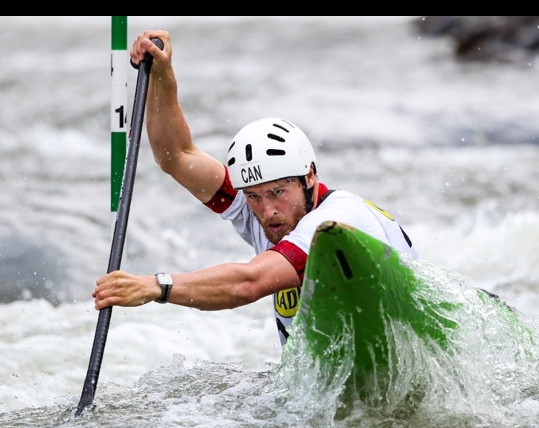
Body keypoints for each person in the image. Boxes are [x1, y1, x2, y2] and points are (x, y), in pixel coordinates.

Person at [92, 29, 418, 347]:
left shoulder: (335, 223)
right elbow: (176, 156)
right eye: (254, 197)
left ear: (310, 177)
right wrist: (162, 73)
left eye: (278, 192)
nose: (267, 211)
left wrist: (156, 286)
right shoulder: (257, 208)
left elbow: (250, 283)